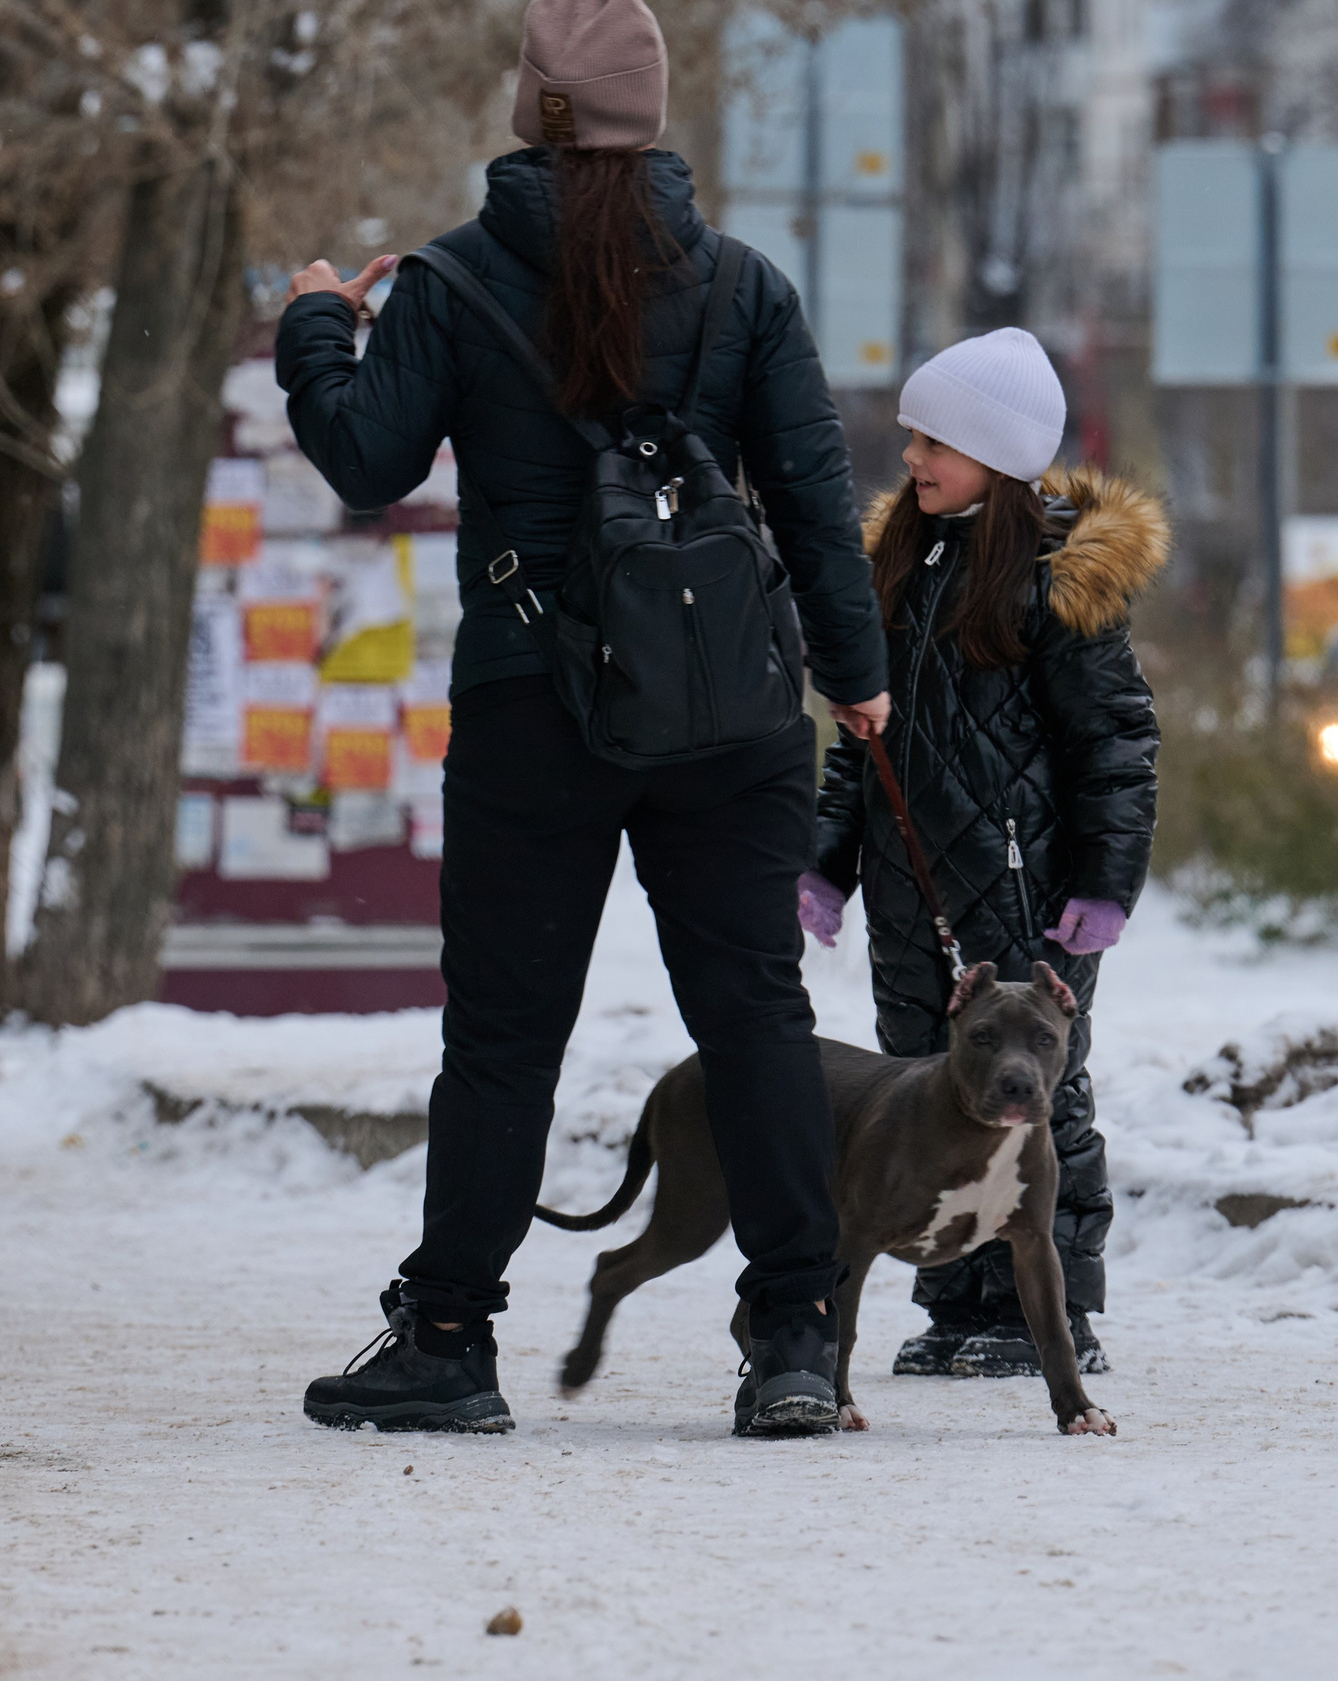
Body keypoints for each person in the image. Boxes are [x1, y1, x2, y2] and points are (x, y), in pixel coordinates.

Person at [277, 0, 891, 1436]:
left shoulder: (451, 280)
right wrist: (852, 678)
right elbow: (810, 498)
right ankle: (796, 1337)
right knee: (753, 1016)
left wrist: (320, 319)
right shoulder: (744, 285)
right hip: (728, 713)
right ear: (653, 116)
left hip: (534, 705)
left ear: (532, 116)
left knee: (504, 1032)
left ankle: (448, 1339)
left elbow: (365, 456)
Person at [800, 328, 1165, 1379]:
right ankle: (956, 1298)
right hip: (911, 895)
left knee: (1045, 1093)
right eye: (913, 436)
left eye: (938, 441)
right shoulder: (900, 564)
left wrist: (1102, 882)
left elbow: (1115, 748)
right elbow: (855, 739)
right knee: (923, 1087)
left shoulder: (1056, 584)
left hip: (1028, 896)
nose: (914, 456)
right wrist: (827, 859)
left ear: (997, 459)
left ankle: (1049, 1306)